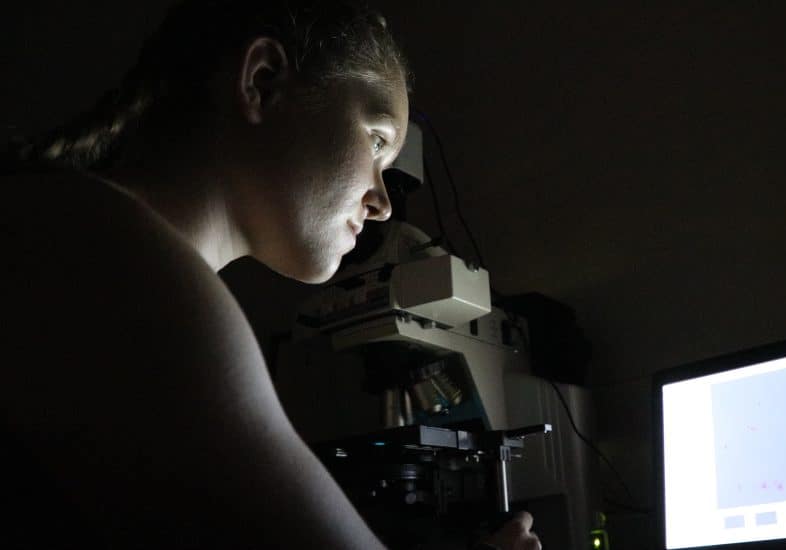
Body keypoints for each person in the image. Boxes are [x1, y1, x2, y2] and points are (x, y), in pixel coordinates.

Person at [0, 1, 540, 549]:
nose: (381, 202)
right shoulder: (123, 269)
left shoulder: (79, 230)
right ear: (261, 82)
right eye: (376, 140)